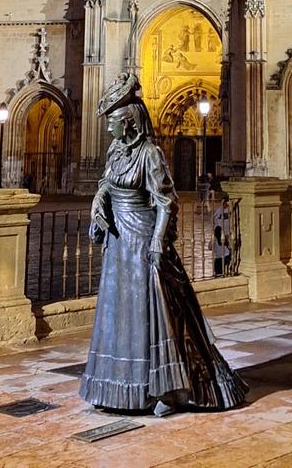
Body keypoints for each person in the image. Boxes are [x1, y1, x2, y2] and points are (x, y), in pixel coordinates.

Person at [80, 71, 246, 415]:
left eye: (113, 121)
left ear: (129, 123)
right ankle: (119, 387)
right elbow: (108, 182)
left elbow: (166, 202)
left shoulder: (150, 154)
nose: (108, 127)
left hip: (142, 241)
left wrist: (157, 241)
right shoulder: (115, 151)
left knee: (155, 313)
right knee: (119, 314)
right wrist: (100, 196)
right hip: (118, 243)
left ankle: (165, 390)